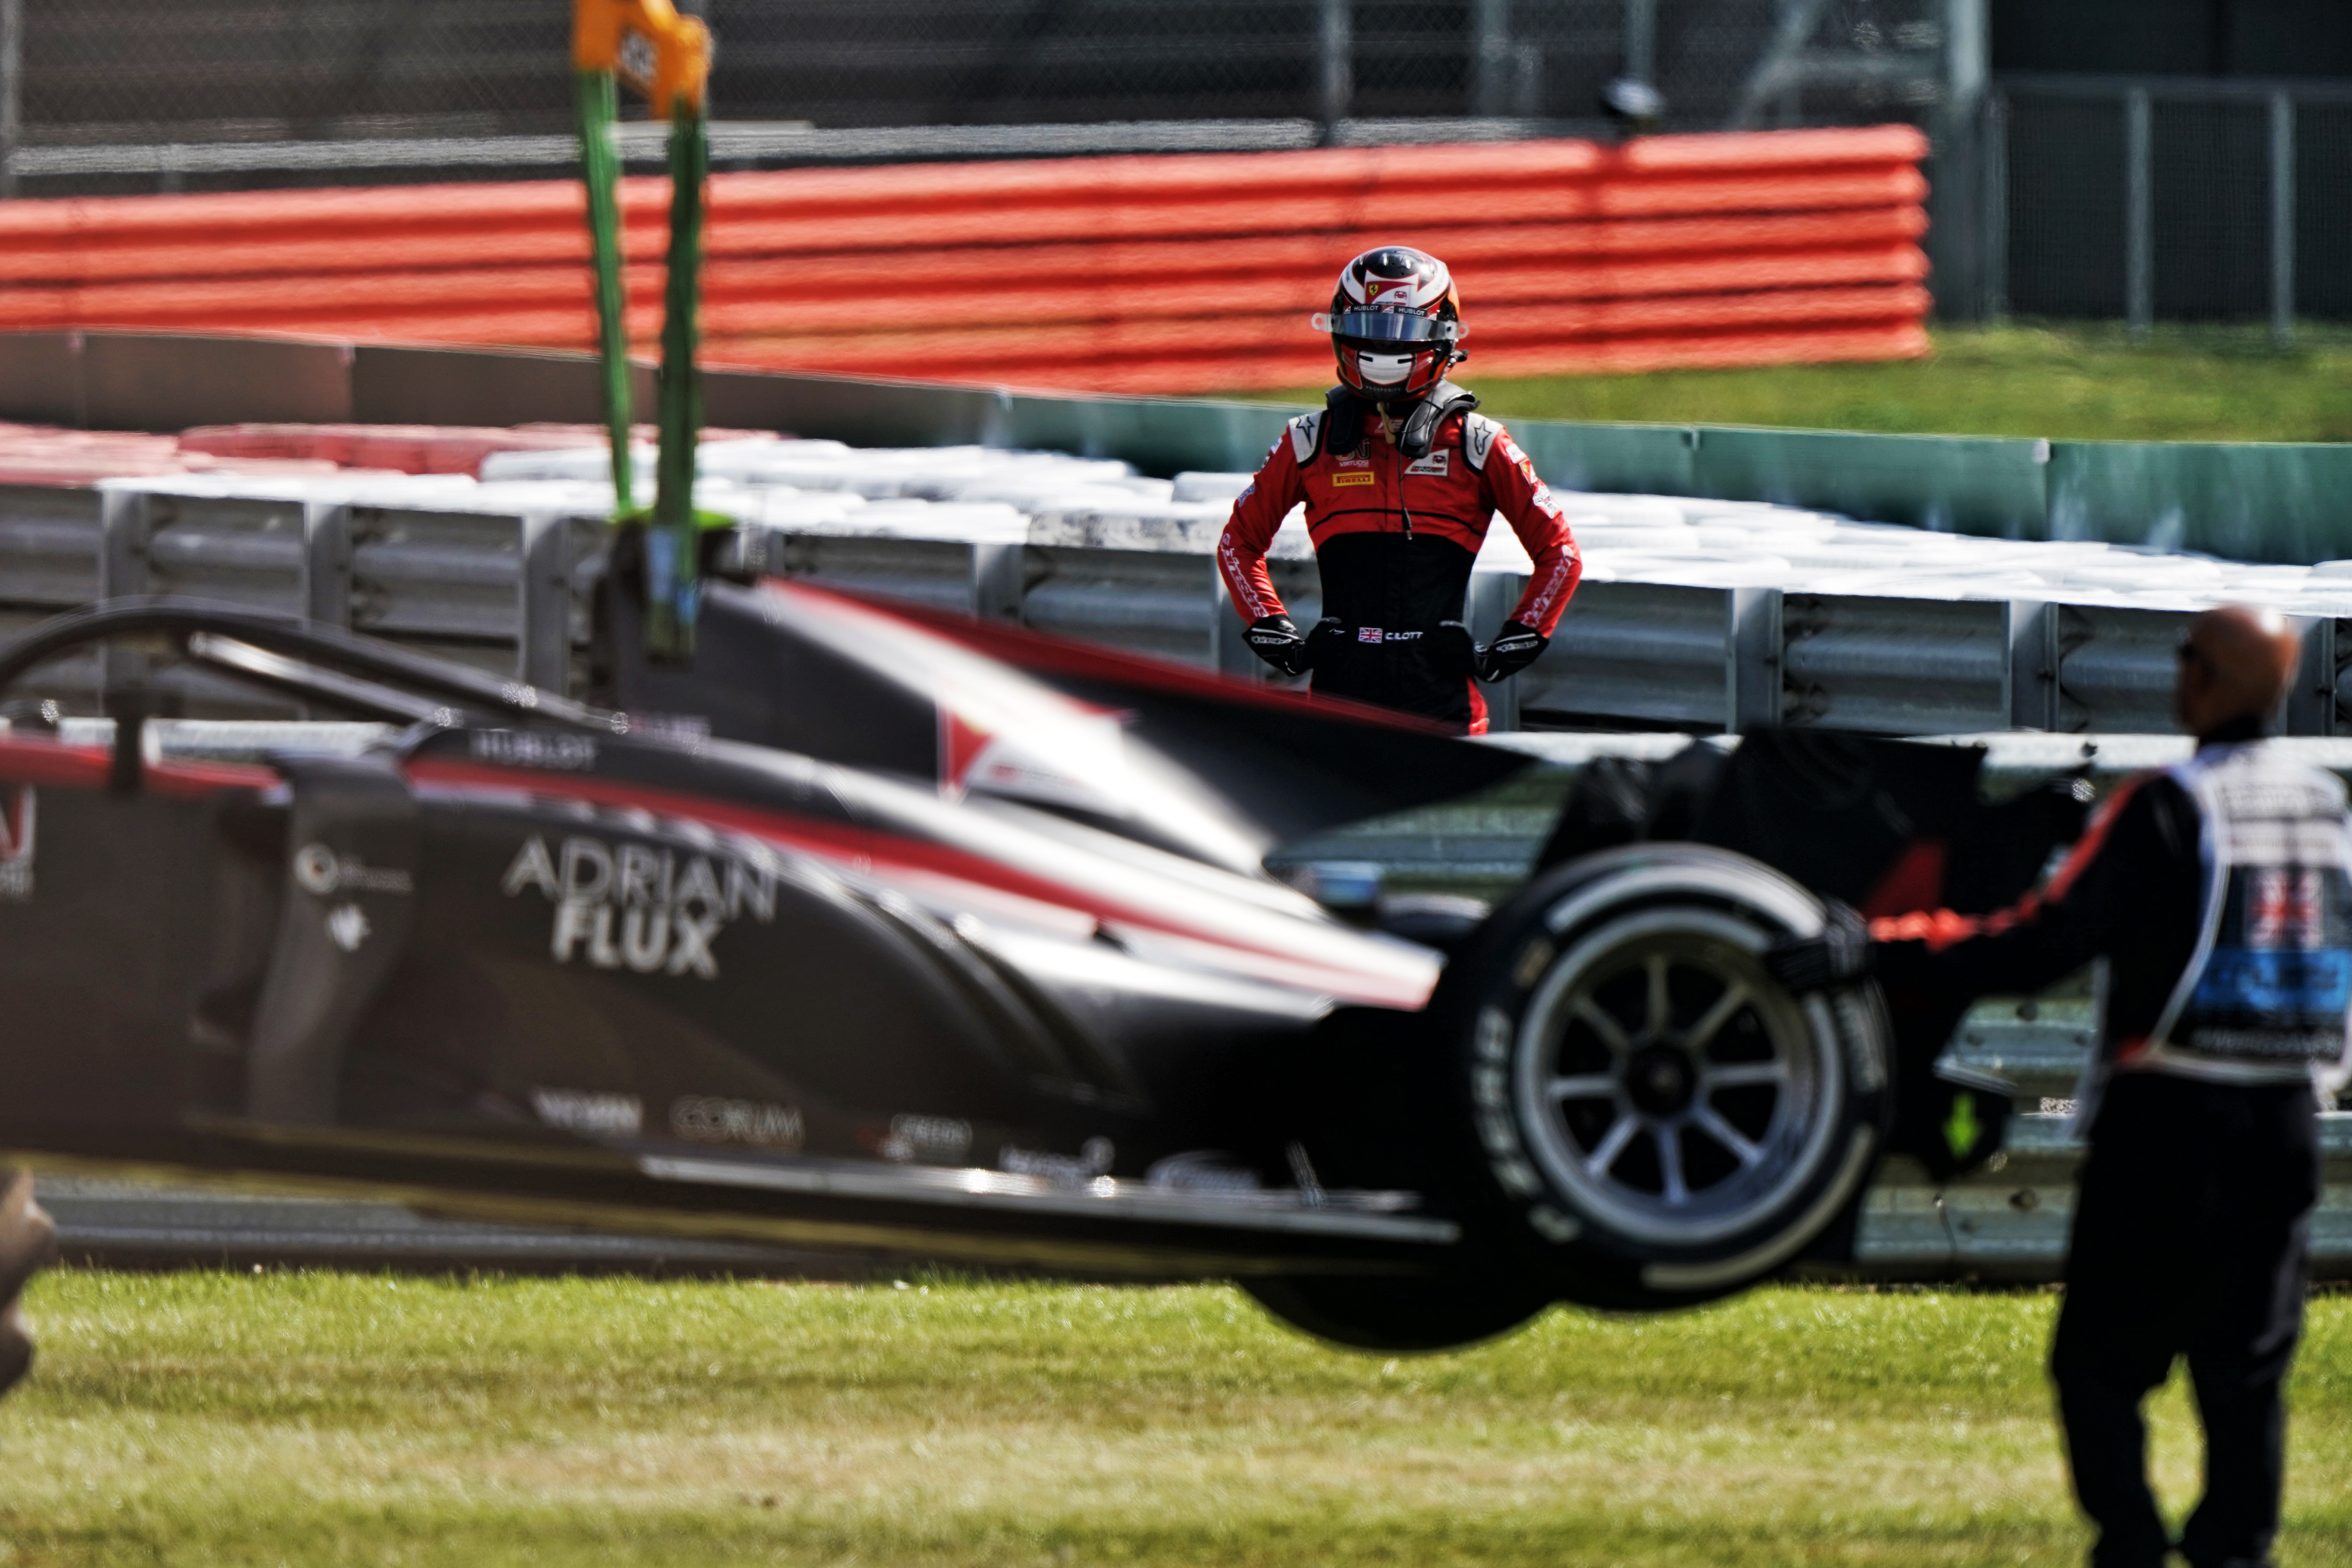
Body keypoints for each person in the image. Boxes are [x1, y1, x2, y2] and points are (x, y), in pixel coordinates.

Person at [1769, 604, 2348, 1568]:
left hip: (2171, 1114)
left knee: (2099, 1362)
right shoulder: (2328, 805)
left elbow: (2040, 941)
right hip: (2288, 1115)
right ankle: (2236, 1551)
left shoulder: (2170, 804)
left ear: (2202, 679)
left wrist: (1873, 947)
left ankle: (2128, 1541)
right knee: (2247, 1367)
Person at [1216, 246, 1580, 732]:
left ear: (1442, 336)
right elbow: (1237, 544)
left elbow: (1561, 554)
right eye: (1370, 330)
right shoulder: (1307, 440)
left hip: (1446, 715)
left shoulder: (1479, 443)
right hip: (1335, 714)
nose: (1384, 349)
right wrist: (1273, 630)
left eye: (1402, 333)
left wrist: (1514, 642)